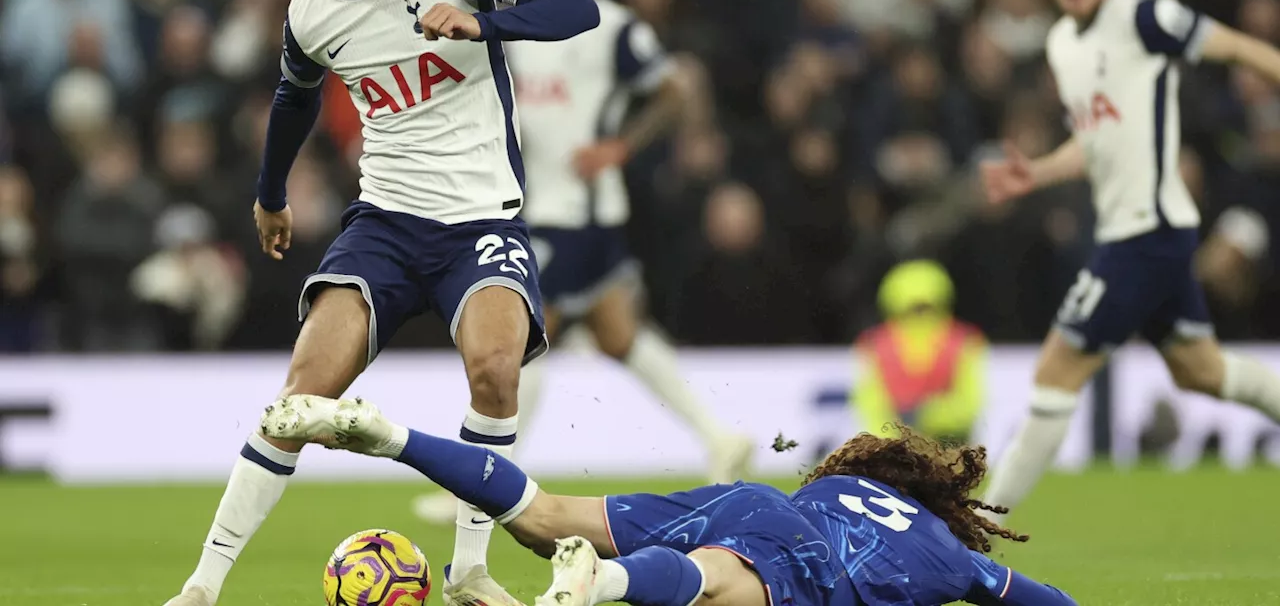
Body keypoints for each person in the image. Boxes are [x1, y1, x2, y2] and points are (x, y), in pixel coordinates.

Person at [162, 0, 600, 605]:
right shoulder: (310, 13)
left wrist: (484, 23)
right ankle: (203, 586)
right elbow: (293, 97)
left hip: (483, 222)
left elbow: (573, 7)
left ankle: (468, 571)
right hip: (386, 228)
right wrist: (271, 195)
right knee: (301, 398)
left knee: (495, 371)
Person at [412, 0, 751, 525]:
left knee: (517, 336)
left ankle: (483, 479)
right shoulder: (515, 20)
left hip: (577, 211)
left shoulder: (614, 24)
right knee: (618, 334)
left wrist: (621, 146)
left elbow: (673, 92)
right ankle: (720, 437)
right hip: (537, 204)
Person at [979, 0, 1280, 522]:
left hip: (1149, 233)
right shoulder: (1062, 44)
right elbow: (1094, 145)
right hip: (1139, 233)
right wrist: (1036, 172)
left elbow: (1241, 47)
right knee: (1202, 372)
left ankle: (980, 527)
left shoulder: (1147, 17)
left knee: (1057, 366)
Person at [261, 394, 1078, 606]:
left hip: (755, 500)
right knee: (719, 581)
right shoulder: (949, 557)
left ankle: (392, 436)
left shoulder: (846, 480)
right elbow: (1045, 600)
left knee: (544, 517)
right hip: (805, 561)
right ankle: (605, 584)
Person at [854, 260, 986, 445]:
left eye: (924, 308)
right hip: (895, 445)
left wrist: (927, 417)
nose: (920, 315)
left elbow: (970, 401)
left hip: (948, 441)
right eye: (915, 308)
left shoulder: (965, 341)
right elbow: (870, 400)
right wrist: (889, 437)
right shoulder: (873, 344)